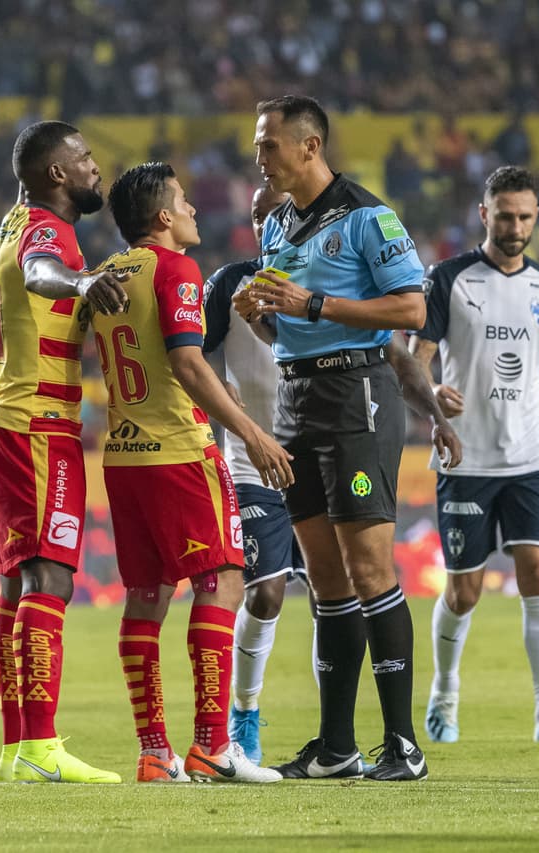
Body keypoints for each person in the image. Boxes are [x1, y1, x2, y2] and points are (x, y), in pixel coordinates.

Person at [236, 95, 439, 781]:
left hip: (358, 394)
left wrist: (313, 302)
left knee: (369, 567)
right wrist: (261, 314)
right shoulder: (279, 226)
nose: (258, 155)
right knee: (324, 577)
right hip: (297, 398)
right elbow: (285, 329)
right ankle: (336, 746)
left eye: (268, 144)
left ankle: (403, 744)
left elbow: (411, 306)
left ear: (310, 146)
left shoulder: (366, 216)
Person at [93, 162, 292, 783]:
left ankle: (155, 753)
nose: (194, 211)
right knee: (223, 581)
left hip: (123, 456)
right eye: (184, 202)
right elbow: (187, 362)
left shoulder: (103, 275)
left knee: (147, 597)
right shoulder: (175, 269)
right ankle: (213, 745)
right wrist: (252, 433)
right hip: (177, 450)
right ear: (162, 217)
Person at [408, 165, 539, 745]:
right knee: (465, 590)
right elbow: (418, 358)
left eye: (525, 216)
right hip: (468, 458)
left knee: (538, 572)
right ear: (484, 215)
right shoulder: (450, 279)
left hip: (531, 455)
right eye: (505, 215)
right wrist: (433, 395)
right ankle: (445, 691)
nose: (515, 226)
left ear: (537, 217)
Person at [0, 120, 128, 785]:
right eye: (85, 159)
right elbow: (42, 274)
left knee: (18, 583)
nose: (96, 168)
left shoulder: (10, 223)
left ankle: (17, 745)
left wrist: (85, 293)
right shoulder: (47, 231)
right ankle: (40, 743)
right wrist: (81, 283)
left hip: (6, 416)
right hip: (38, 422)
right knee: (51, 579)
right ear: (57, 173)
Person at [201, 184, 302, 764]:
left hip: (320, 463)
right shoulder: (229, 284)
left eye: (280, 215)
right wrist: (228, 407)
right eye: (261, 216)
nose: (269, 225)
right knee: (264, 592)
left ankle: (338, 733)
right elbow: (194, 358)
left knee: (337, 599)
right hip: (251, 462)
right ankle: (245, 714)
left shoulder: (327, 283)